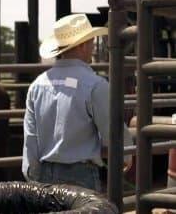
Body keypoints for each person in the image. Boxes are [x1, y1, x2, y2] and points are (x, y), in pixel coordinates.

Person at [22, 14, 133, 192]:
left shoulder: (37, 85)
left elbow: (30, 138)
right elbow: (113, 132)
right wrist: (126, 155)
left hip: (44, 174)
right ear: (82, 45)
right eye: (91, 41)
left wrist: (33, 174)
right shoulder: (94, 85)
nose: (92, 47)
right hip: (81, 175)